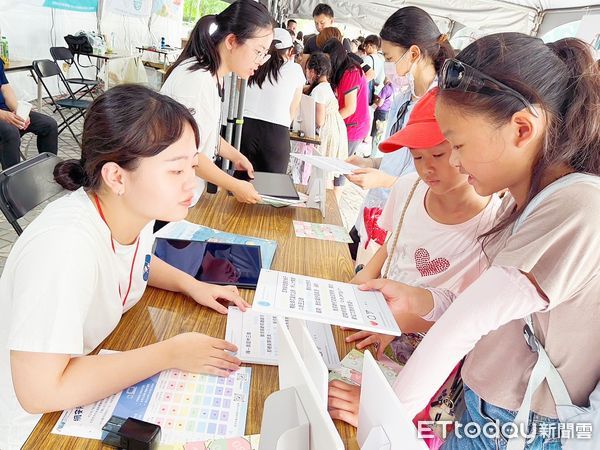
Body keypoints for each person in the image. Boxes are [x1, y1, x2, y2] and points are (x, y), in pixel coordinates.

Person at [331, 34, 600, 450]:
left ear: (522, 129)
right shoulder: (527, 199)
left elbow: (465, 325)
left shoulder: (577, 205)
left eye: (456, 145)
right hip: (486, 408)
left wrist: (384, 422)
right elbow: (488, 315)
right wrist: (419, 301)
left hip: (517, 426)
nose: (453, 162)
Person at [0, 85, 252, 450]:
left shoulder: (133, 212)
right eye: (175, 170)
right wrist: (170, 353)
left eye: (192, 166)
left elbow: (133, 260)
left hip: (84, 381)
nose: (191, 184)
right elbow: (39, 391)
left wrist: (189, 283)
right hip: (34, 429)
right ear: (117, 176)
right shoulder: (63, 248)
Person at [328, 89, 500, 433]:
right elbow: (391, 246)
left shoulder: (495, 221)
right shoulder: (407, 189)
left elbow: (472, 324)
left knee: (391, 431)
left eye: (438, 153)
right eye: (417, 157)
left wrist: (405, 322)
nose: (427, 170)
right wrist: (359, 284)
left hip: (435, 363)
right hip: (380, 330)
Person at [345, 6, 454, 265]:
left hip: (408, 218)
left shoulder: (443, 105)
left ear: (414, 53)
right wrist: (370, 164)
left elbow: (435, 178)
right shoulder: (403, 97)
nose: (386, 65)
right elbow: (398, 156)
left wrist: (386, 181)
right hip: (377, 211)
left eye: (389, 57)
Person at [161, 0, 273, 205]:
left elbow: (203, 133)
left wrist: (235, 155)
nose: (260, 61)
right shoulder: (197, 81)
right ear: (231, 41)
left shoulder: (212, 75)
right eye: (258, 51)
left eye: (264, 54)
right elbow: (187, 152)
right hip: (168, 199)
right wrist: (234, 185)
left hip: (183, 195)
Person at [240, 28, 305, 174]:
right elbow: (292, 111)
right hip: (276, 133)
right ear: (289, 51)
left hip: (245, 129)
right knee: (273, 188)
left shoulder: (253, 65)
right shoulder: (294, 70)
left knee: (241, 183)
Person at [0, 60, 58, 169]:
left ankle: (50, 171)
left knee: (49, 124)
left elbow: (6, 90)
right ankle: (12, 182)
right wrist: (3, 115)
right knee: (10, 132)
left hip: (5, 110)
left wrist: (19, 112)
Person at [305, 52, 348, 170]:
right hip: (336, 127)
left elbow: (319, 121)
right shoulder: (326, 86)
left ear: (313, 71)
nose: (307, 74)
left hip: (328, 130)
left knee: (320, 170)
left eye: (307, 70)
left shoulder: (318, 90)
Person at [369, 78, 394, 156]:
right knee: (379, 134)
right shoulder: (393, 88)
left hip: (380, 113)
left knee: (376, 134)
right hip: (386, 113)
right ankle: (374, 154)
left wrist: (375, 99)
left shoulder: (386, 88)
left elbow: (380, 103)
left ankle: (372, 155)